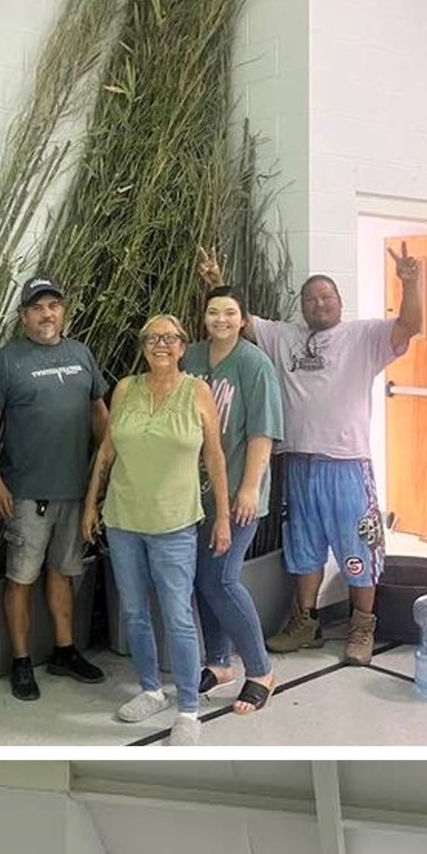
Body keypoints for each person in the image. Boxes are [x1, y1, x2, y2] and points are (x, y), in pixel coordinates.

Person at [198, 242, 425, 666]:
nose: (319, 304)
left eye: (327, 297)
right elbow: (235, 320)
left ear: (339, 302)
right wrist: (215, 281)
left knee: (358, 547)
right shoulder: (282, 335)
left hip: (347, 464)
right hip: (297, 461)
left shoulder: (365, 336)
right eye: (310, 299)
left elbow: (410, 325)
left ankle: (362, 626)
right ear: (301, 306)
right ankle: (305, 622)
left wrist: (411, 284)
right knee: (302, 549)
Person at [82, 315, 230, 746]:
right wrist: (91, 503)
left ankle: (188, 708)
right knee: (133, 611)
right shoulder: (126, 388)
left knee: (178, 615)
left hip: (175, 523)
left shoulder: (197, 391)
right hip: (124, 518)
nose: (159, 345)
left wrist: (222, 515)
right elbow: (106, 451)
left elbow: (216, 457)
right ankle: (150, 688)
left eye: (168, 338)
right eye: (151, 338)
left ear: (183, 346)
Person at [0, 276, 109, 701]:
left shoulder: (81, 355)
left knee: (64, 573)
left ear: (63, 311)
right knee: (20, 577)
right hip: (25, 494)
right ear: (23, 317)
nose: (46, 314)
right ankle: (21, 661)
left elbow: (99, 414)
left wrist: (106, 468)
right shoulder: (6, 361)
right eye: (37, 308)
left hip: (74, 491)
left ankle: (64, 650)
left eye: (53, 305)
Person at [181, 286, 283, 714]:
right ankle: (219, 663)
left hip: (240, 492)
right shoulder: (192, 359)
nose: (221, 319)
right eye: (213, 312)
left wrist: (248, 487)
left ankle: (260, 670)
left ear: (242, 320)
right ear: (203, 318)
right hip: (196, 491)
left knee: (221, 579)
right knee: (201, 578)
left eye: (230, 313)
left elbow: (263, 432)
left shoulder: (254, 364)